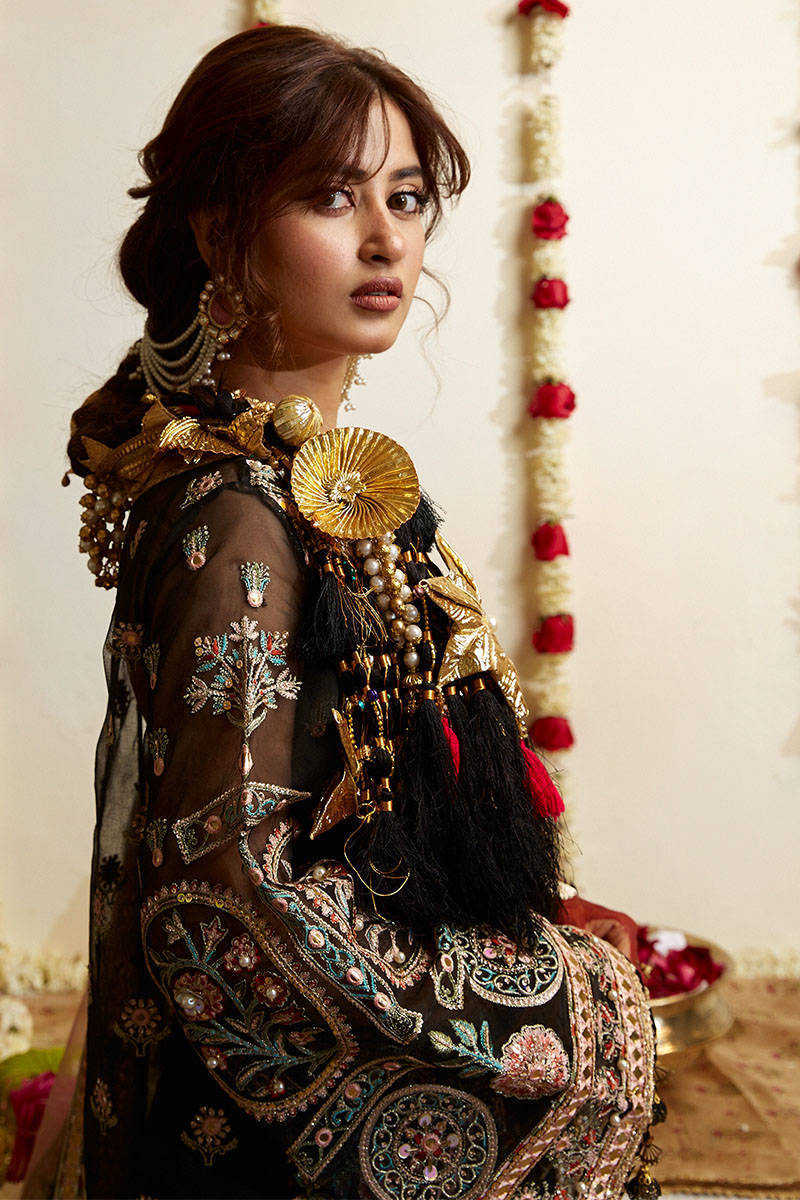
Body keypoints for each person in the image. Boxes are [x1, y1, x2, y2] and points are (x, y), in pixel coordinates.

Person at [57, 24, 661, 1200]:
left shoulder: (313, 485)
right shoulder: (237, 517)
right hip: (267, 1146)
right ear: (218, 231)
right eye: (331, 197)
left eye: (407, 196)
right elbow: (224, 907)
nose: (387, 238)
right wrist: (568, 1008)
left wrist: (525, 925)